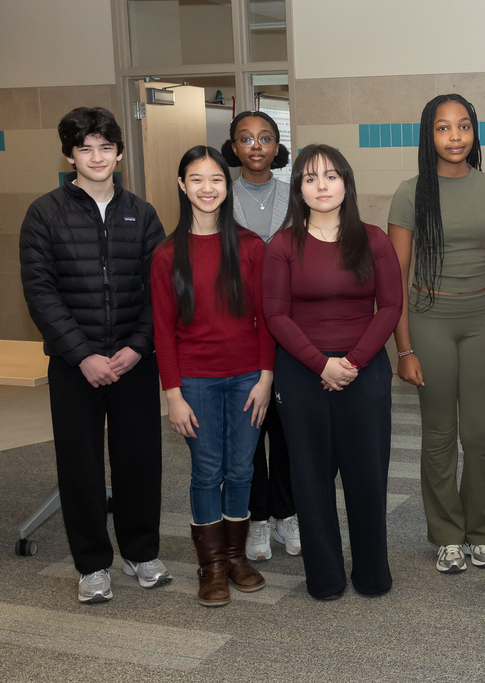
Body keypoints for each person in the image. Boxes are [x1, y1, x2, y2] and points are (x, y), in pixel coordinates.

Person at [20, 107, 170, 604]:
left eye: (105, 147)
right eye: (85, 148)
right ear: (70, 156)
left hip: (133, 362)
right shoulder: (45, 213)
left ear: (120, 153)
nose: (97, 156)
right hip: (74, 365)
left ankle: (141, 552)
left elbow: (159, 292)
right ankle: (91, 564)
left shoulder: (142, 214)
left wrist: (137, 347)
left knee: (139, 460)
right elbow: (40, 293)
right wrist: (83, 355)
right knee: (79, 465)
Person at [263, 145, 402, 599]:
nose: (321, 186)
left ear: (346, 182)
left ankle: (372, 574)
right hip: (302, 373)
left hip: (365, 370)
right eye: (310, 178)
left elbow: (391, 306)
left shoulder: (374, 239)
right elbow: (275, 315)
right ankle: (324, 577)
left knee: (367, 478)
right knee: (310, 479)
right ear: (298, 189)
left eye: (330, 176)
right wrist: (321, 363)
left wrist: (353, 362)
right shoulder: (282, 245)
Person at [388, 94, 485, 574]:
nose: (455, 136)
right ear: (429, 135)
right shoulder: (409, 192)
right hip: (429, 322)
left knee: (480, 434)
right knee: (439, 433)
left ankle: (482, 532)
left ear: (474, 133)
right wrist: (404, 348)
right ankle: (446, 535)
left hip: (482, 321)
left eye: (463, 126)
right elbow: (395, 279)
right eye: (443, 127)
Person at [151, 146, 275, 606]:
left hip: (247, 378)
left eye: (216, 179)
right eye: (197, 179)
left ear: (228, 185)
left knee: (242, 468)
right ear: (182, 186)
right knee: (207, 471)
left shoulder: (251, 246)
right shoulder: (166, 255)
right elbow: (162, 331)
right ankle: (213, 566)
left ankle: (236, 557)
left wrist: (266, 377)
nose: (207, 188)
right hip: (195, 382)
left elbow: (266, 319)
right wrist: (173, 395)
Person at [221, 110, 301, 561]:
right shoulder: (219, 197)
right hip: (240, 331)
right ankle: (256, 519)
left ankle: (286, 514)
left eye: (265, 138)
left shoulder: (297, 197)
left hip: (289, 331)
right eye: (246, 138)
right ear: (233, 147)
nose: (256, 146)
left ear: (277, 146)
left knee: (287, 432)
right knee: (247, 434)